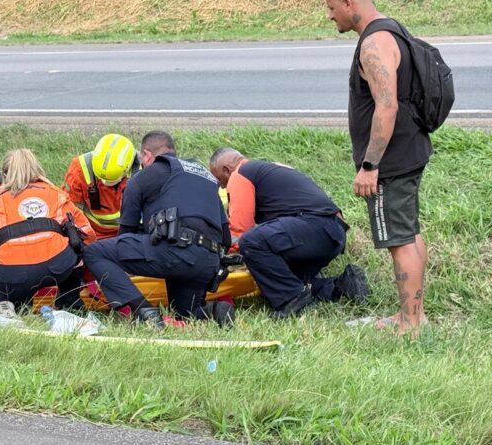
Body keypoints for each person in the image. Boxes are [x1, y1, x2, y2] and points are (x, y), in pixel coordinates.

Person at [326, 0, 433, 337]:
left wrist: (370, 165)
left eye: (331, 6)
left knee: (399, 240)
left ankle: (410, 324)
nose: (329, 14)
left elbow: (387, 106)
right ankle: (414, 315)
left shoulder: (374, 43)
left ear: (348, 2)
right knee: (408, 234)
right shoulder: (391, 29)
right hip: (408, 151)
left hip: (392, 160)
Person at [83, 131, 234, 329]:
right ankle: (214, 310)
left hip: (174, 252)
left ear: (146, 155)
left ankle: (144, 312)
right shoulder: (205, 177)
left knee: (95, 252)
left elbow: (125, 236)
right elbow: (226, 237)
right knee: (184, 313)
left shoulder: (144, 176)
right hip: (208, 262)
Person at [209, 148, 370, 318]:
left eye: (220, 180)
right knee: (274, 278)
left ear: (227, 169)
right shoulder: (271, 169)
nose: (222, 186)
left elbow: (240, 231)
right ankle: (341, 285)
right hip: (332, 233)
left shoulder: (241, 174)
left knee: (250, 242)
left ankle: (292, 300)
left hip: (314, 226)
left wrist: (215, 253)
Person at [0, 149, 97, 312]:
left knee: (2, 277)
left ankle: (7, 306)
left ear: (4, 174)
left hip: (12, 273)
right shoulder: (56, 194)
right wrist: (89, 275)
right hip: (58, 267)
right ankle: (70, 302)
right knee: (75, 244)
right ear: (36, 168)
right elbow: (87, 233)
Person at [63, 133, 137, 240]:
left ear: (127, 168)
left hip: (130, 234)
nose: (105, 183)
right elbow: (68, 209)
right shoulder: (79, 169)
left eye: (112, 181)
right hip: (92, 234)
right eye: (102, 179)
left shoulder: (143, 169)